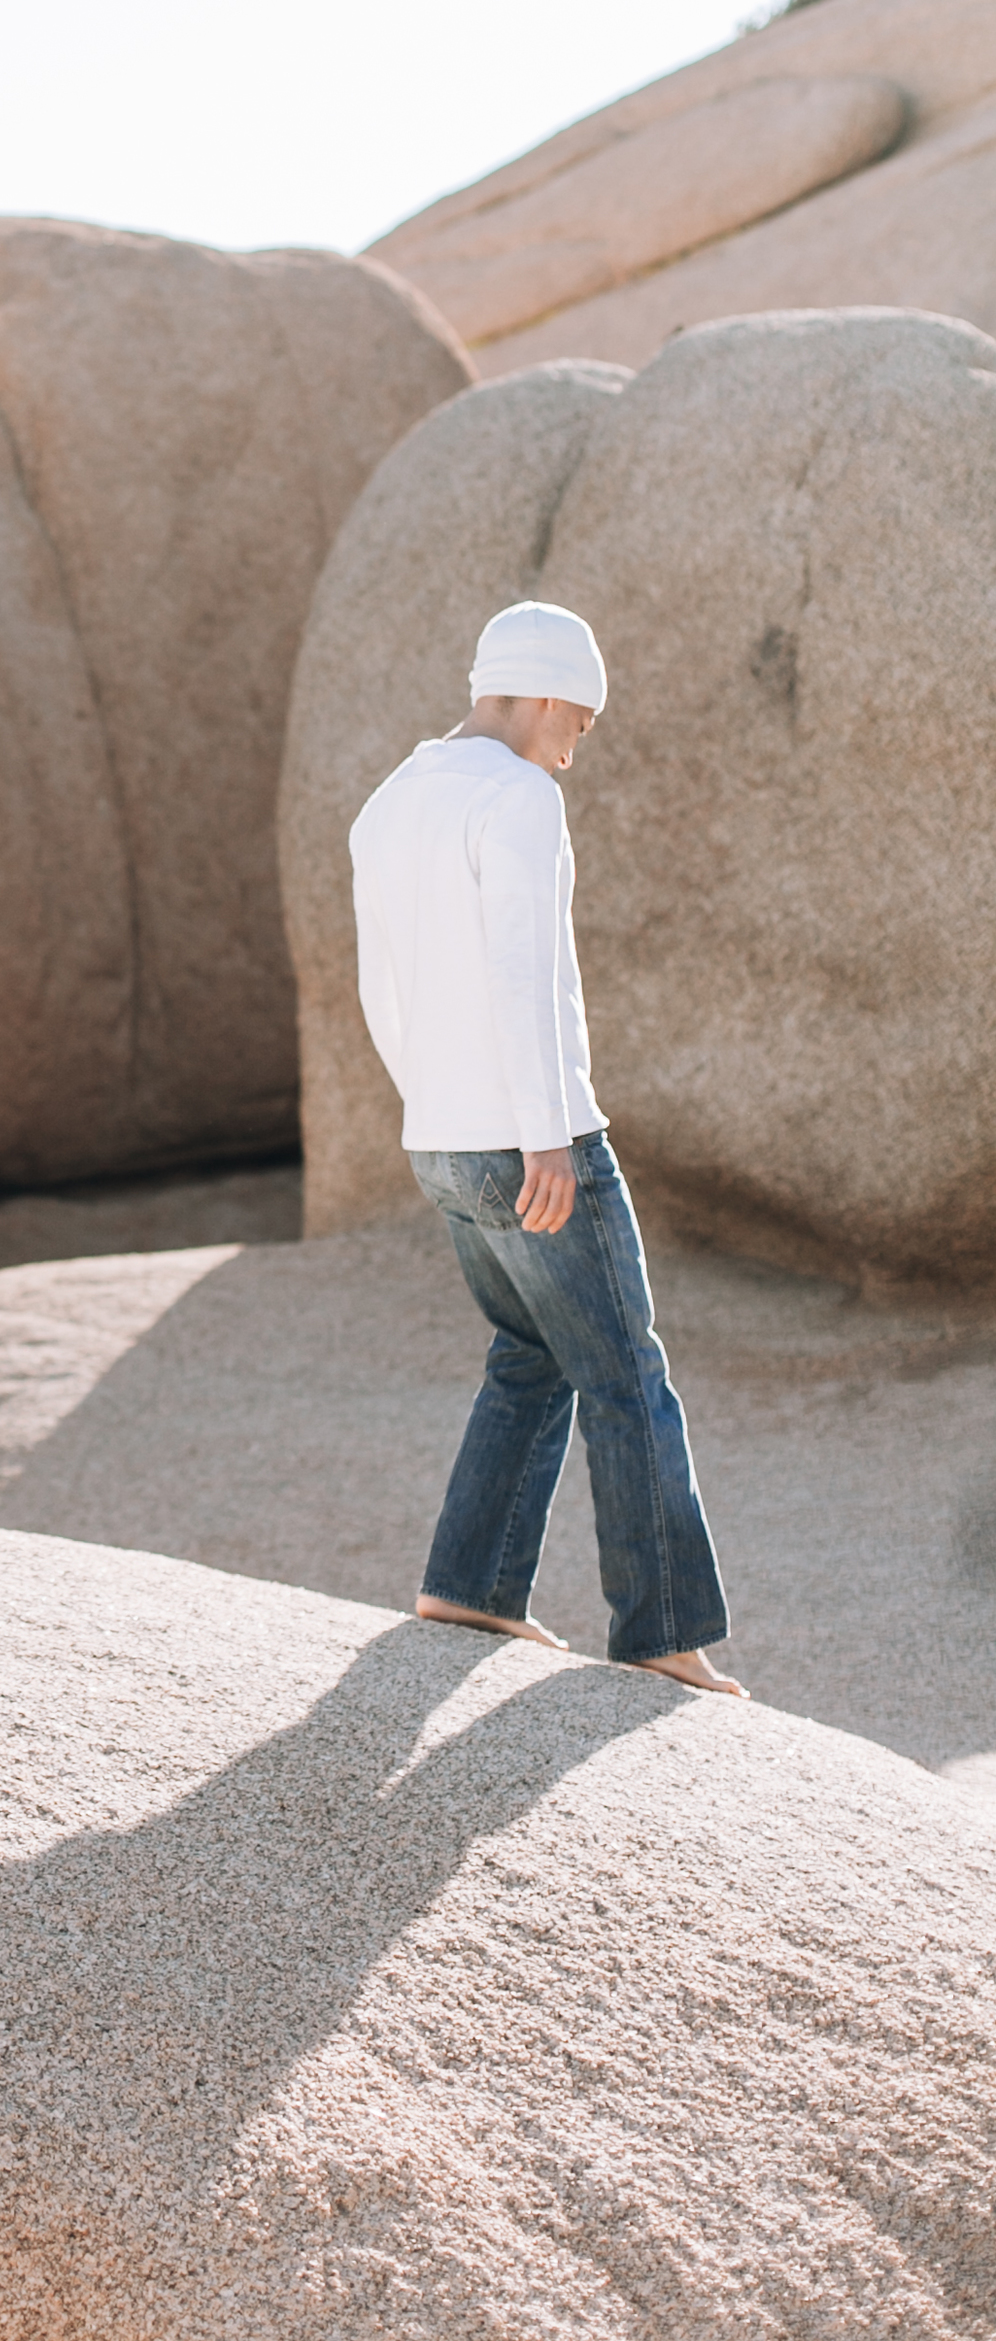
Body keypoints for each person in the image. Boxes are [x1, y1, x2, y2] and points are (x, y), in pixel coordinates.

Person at [348, 599, 743, 1696]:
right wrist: (546, 1139)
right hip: (531, 1137)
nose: (580, 737)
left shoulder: (390, 799)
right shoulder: (517, 795)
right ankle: (660, 1630)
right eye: (579, 712)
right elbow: (528, 974)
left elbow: (379, 985)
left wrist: (435, 1110)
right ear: (540, 691)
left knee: (528, 1358)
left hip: (440, 1135)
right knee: (626, 1376)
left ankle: (471, 1584)